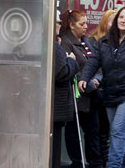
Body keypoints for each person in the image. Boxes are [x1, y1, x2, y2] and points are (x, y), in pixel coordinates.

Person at [78, 6, 125, 168]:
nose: (123, 21)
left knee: (117, 130)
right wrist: (85, 77)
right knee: (118, 132)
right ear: (117, 19)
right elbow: (94, 61)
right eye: (121, 17)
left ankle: (113, 165)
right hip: (111, 92)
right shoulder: (105, 41)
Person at [59, 10, 103, 168]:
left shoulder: (86, 40)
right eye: (82, 24)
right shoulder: (66, 42)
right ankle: (77, 163)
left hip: (92, 96)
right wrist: (84, 80)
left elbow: (96, 61)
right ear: (72, 25)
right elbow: (68, 67)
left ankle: (95, 163)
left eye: (86, 23)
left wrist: (97, 78)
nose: (86, 26)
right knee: (74, 133)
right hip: (76, 96)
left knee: (93, 133)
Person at [88, 9, 117, 167]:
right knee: (96, 131)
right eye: (112, 21)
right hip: (96, 92)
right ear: (105, 22)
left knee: (107, 131)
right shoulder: (94, 40)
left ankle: (106, 162)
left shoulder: (119, 42)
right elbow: (94, 65)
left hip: (111, 92)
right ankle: (98, 162)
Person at [52, 15, 79, 168]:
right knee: (53, 151)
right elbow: (62, 73)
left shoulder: (55, 44)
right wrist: (71, 60)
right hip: (56, 108)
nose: (60, 25)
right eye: (58, 22)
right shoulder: (54, 46)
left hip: (53, 108)